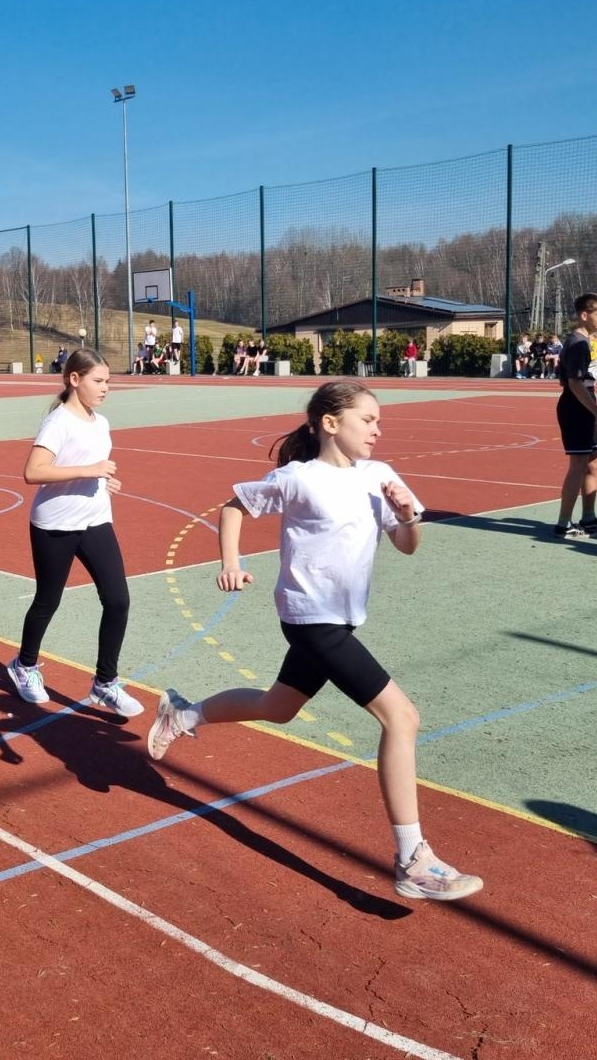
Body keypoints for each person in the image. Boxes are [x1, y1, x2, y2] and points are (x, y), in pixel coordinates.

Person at [147, 380, 482, 901]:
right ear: (331, 423)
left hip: (342, 620)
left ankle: (183, 715)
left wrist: (409, 513)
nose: (377, 429)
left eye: (378, 421)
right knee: (402, 717)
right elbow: (234, 506)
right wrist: (230, 563)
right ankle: (413, 859)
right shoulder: (299, 479)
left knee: (277, 707)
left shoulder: (380, 477)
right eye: (367, 420)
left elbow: (407, 545)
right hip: (309, 618)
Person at [4, 347, 143, 716]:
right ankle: (25, 666)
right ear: (74, 379)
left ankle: (105, 683)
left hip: (95, 521)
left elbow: (90, 468)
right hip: (55, 525)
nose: (106, 388)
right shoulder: (58, 423)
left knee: (118, 601)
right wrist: (90, 471)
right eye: (99, 381)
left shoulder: (101, 423)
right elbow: (33, 472)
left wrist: (102, 481)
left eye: (108, 381)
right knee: (48, 600)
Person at [552, 293, 597, 540]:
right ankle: (563, 523)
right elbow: (575, 384)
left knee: (595, 461)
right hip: (576, 406)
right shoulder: (577, 342)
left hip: (584, 404)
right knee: (578, 464)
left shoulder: (587, 341)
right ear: (584, 315)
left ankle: (588, 518)